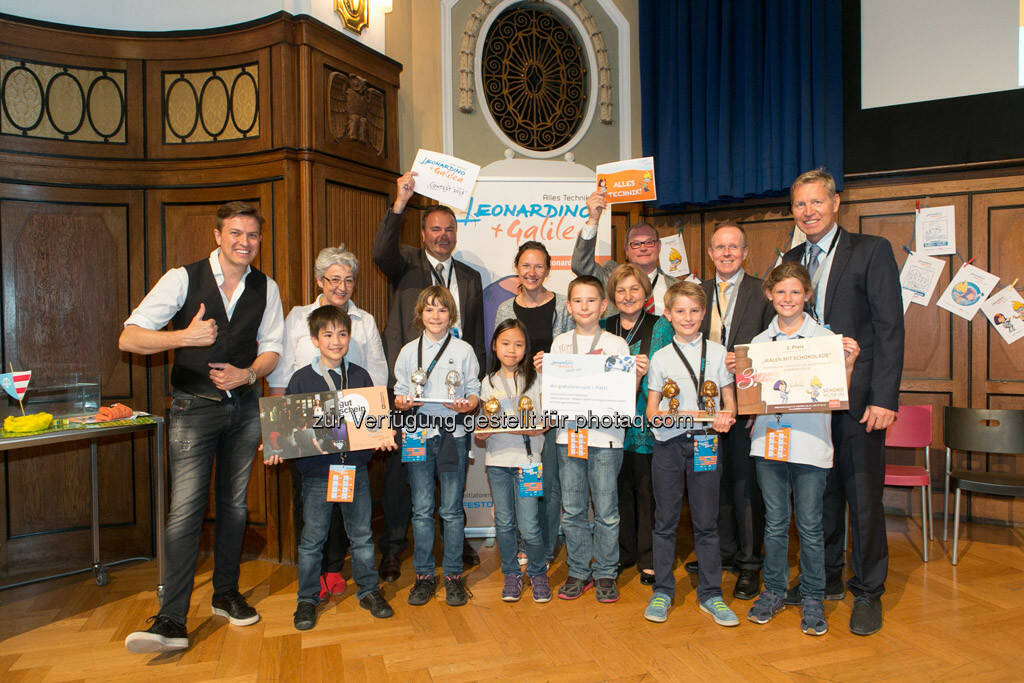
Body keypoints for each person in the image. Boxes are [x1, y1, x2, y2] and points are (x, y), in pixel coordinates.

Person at [120, 201, 285, 653]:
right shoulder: (182, 278)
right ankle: (171, 619)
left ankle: (226, 596)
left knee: (234, 507)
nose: (244, 243)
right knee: (185, 511)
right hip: (193, 409)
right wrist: (184, 337)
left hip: (245, 408)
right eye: (235, 233)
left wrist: (249, 374)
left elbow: (272, 349)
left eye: (252, 235)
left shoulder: (266, 287)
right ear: (217, 235)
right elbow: (129, 336)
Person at [781, 168, 904, 636]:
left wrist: (885, 398)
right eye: (799, 205)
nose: (808, 212)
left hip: (860, 402)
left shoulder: (872, 251)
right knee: (819, 498)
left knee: (864, 501)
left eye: (816, 202)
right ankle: (826, 578)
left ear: (836, 203)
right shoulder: (789, 258)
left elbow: (890, 329)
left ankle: (869, 591)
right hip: (808, 406)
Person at [373, 171, 485, 580]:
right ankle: (394, 547)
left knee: (450, 472)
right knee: (405, 475)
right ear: (422, 234)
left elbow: (477, 338)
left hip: (455, 403)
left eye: (449, 229)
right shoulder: (405, 264)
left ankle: (452, 545)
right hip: (412, 398)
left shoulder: (470, 278)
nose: (443, 235)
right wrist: (400, 200)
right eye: (435, 229)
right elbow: (380, 249)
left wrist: (477, 396)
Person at [743, 263, 859, 636]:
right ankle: (774, 591)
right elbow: (750, 398)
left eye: (795, 292)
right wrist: (740, 374)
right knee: (775, 524)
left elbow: (837, 395)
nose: (787, 299)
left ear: (807, 295)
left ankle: (812, 596)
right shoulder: (759, 344)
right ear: (769, 296)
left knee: (810, 526)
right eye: (780, 292)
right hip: (768, 443)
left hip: (810, 445)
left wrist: (849, 363)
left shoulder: (826, 339)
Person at [263, 305, 396, 630]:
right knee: (312, 540)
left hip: (355, 472)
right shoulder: (301, 379)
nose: (336, 341)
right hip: (317, 475)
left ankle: (368, 590)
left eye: (342, 334)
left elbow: (376, 424)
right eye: (328, 335)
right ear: (314, 339)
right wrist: (277, 448)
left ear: (349, 338)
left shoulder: (361, 377)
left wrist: (382, 437)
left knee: (362, 536)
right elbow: (285, 430)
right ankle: (306, 599)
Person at [267, 244, 387, 599]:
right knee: (313, 511)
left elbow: (377, 376)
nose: (341, 286)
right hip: (310, 441)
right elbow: (281, 376)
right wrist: (277, 437)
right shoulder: (298, 316)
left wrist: (379, 425)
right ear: (320, 280)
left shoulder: (364, 321)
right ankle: (314, 579)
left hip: (353, 438)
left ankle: (334, 569)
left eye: (348, 280)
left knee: (349, 513)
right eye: (334, 279)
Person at [686, 222, 773, 600]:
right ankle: (721, 552)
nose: (726, 253)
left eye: (733, 247)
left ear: (745, 252)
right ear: (709, 253)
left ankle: (750, 564)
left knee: (744, 485)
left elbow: (773, 348)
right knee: (713, 482)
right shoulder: (698, 293)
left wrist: (756, 400)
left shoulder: (762, 292)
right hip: (704, 407)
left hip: (746, 404)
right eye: (719, 247)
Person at [643, 281, 737, 626]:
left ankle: (711, 594)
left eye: (695, 311)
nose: (688, 317)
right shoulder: (660, 357)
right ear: (667, 314)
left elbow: (730, 403)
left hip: (706, 443)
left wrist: (727, 417)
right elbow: (652, 410)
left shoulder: (717, 352)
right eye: (680, 311)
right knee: (665, 521)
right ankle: (663, 591)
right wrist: (662, 417)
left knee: (707, 523)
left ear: (703, 313)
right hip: (668, 445)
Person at [539, 275, 636, 603]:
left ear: (603, 305)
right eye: (577, 301)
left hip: (606, 438)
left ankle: (606, 571)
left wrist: (633, 378)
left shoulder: (616, 345)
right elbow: (553, 392)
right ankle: (579, 569)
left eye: (591, 300)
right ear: (568, 306)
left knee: (607, 511)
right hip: (570, 437)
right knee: (574, 509)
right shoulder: (560, 345)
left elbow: (625, 397)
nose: (584, 306)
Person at [393, 286, 481, 607]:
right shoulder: (407, 352)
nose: (435, 315)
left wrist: (467, 405)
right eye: (429, 309)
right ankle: (424, 577)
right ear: (420, 314)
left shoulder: (464, 350)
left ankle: (454, 576)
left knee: (452, 511)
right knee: (421, 510)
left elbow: (473, 391)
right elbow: (400, 392)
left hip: (451, 435)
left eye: (442, 309)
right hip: (417, 434)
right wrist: (402, 403)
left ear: (451, 315)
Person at [493, 241, 573, 561]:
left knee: (550, 479)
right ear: (516, 268)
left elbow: (572, 355)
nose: (532, 272)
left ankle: (548, 544)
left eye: (539, 266)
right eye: (526, 266)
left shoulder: (565, 304)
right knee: (525, 473)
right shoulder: (504, 309)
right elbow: (501, 355)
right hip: (518, 404)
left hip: (553, 404)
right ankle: (527, 539)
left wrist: (552, 363)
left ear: (549, 269)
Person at [601, 263, 673, 585]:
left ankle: (649, 557)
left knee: (647, 493)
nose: (628, 295)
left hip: (645, 425)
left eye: (634, 289)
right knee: (617, 492)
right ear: (612, 296)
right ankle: (622, 553)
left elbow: (668, 376)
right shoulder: (603, 326)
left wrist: (643, 376)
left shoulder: (660, 327)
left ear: (645, 293)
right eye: (621, 290)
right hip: (609, 426)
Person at [476, 318, 551, 603]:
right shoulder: (488, 382)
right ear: (495, 346)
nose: (512, 350)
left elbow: (544, 422)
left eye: (518, 344)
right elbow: (483, 427)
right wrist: (482, 433)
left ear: (526, 348)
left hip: (528, 462)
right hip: (497, 463)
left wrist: (527, 426)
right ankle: (511, 573)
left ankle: (537, 572)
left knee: (530, 524)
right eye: (506, 344)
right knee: (505, 524)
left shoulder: (536, 379)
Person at [571, 189, 679, 314]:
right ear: (626, 250)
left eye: (649, 242)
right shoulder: (611, 277)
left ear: (659, 246)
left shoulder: (676, 287)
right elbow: (580, 265)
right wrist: (593, 219)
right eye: (636, 244)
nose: (643, 248)